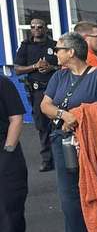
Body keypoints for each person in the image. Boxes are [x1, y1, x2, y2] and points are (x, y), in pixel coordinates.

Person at [39, 32, 97, 232]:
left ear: (71, 52)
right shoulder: (59, 76)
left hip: (95, 141)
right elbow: (45, 105)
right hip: (63, 141)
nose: (55, 53)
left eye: (58, 49)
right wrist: (64, 115)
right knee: (70, 194)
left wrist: (78, 115)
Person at [13, 18, 59, 172]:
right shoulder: (26, 46)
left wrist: (50, 67)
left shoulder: (54, 45)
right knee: (42, 125)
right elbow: (17, 69)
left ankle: (62, 157)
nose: (37, 29)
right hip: (37, 90)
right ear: (30, 29)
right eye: (33, 27)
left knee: (58, 122)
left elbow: (63, 65)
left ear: (46, 28)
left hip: (55, 90)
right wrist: (35, 66)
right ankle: (47, 159)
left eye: (40, 26)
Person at [0, 74, 33, 232]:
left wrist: (9, 149)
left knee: (9, 200)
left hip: (4, 147)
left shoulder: (3, 83)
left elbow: (16, 118)